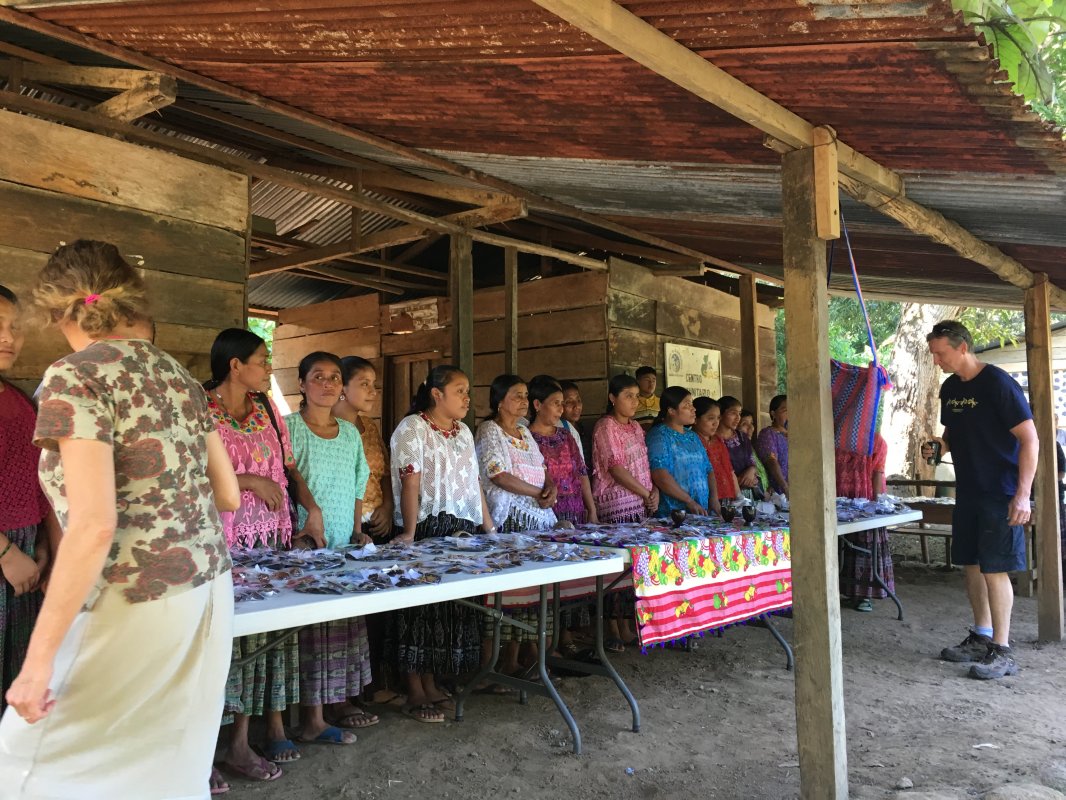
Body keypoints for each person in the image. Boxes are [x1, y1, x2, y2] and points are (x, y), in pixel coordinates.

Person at [0, 240, 241, 798]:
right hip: (206, 587)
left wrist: (36, 664)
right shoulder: (178, 374)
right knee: (169, 760)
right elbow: (227, 494)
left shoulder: (73, 376)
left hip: (133, 594)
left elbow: (93, 524)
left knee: (28, 762)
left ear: (57, 311)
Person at [204, 328, 326, 780]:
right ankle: (207, 748)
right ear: (235, 365)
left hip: (272, 542)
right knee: (224, 641)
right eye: (261, 359)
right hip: (223, 544)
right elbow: (194, 475)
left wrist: (310, 509)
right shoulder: (201, 410)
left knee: (267, 637)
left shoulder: (269, 411)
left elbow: (289, 471)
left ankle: (248, 737)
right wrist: (250, 482)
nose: (268, 367)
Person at [923, 320, 1036, 680]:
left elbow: (1029, 439)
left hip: (1000, 492)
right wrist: (939, 446)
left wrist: (1023, 496)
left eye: (940, 353)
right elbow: (953, 433)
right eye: (933, 354)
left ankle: (1003, 651)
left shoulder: (999, 385)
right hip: (968, 490)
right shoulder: (950, 388)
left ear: (962, 347)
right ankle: (981, 636)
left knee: (995, 567)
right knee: (971, 563)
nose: (937, 360)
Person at [387, 365, 491, 722]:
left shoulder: (462, 431)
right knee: (420, 612)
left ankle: (432, 682)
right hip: (428, 528)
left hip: (463, 528)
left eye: (467, 391)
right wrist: (410, 532)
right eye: (460, 390)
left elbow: (475, 480)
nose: (466, 398)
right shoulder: (412, 427)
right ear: (436, 394)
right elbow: (410, 480)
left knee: (448, 611)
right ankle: (414, 689)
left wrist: (488, 525)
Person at [285, 352, 375, 744]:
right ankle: (311, 717)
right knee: (307, 630)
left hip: (341, 544)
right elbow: (287, 478)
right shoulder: (288, 428)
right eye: (317, 377)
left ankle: (336, 703)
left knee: (340, 625)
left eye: (334, 377)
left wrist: (357, 530)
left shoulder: (350, 433)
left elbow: (358, 485)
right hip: (305, 544)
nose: (327, 384)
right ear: (301, 385)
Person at [475, 375, 558, 675]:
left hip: (537, 521)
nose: (524, 401)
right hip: (510, 522)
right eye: (517, 396)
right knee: (509, 596)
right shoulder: (489, 430)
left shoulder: (524, 431)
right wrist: (538, 493)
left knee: (532, 594)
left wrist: (550, 488)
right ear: (499, 402)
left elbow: (541, 468)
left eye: (526, 395)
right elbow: (497, 474)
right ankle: (498, 665)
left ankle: (525, 657)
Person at [0, 286, 56, 714]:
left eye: (14, 327)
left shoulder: (20, 399)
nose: (9, 338)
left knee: (17, 682)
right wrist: (5, 552)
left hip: (26, 561)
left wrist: (41, 546)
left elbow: (39, 479)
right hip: (6, 556)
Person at [592, 374, 657, 651]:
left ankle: (629, 625)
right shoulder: (606, 426)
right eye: (628, 395)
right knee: (614, 573)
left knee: (632, 572)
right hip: (617, 506)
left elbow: (643, 462)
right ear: (612, 398)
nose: (634, 401)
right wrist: (645, 492)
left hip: (641, 505)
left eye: (636, 396)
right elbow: (615, 467)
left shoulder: (635, 428)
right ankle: (612, 629)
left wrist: (652, 492)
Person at [334, 356, 394, 543]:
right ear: (342, 387)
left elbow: (384, 473)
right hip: (340, 527)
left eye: (373, 384)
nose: (373, 392)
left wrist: (387, 507)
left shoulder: (369, 426)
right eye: (364, 384)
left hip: (377, 525)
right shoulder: (327, 429)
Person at [527, 376, 597, 525]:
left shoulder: (566, 435)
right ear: (537, 404)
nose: (561, 409)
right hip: (542, 512)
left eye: (562, 404)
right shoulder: (526, 438)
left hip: (575, 512)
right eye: (556, 403)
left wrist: (592, 510)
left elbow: (581, 474)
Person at [839, 433, 894, 613]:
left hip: (865, 503)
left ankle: (864, 595)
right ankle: (844, 591)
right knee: (843, 548)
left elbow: (877, 474)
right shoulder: (836, 437)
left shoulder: (876, 442)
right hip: (839, 502)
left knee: (864, 549)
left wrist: (877, 507)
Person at [645, 386, 718, 517]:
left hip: (700, 510)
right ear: (671, 411)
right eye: (687, 405)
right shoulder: (659, 436)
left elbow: (708, 469)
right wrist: (689, 501)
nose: (693, 409)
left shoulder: (692, 436)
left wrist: (714, 499)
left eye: (692, 404)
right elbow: (660, 475)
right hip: (673, 514)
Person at [694, 397, 741, 504]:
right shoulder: (692, 441)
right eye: (711, 418)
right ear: (695, 419)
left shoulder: (718, 440)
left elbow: (729, 470)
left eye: (718, 418)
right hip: (705, 500)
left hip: (727, 497)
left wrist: (739, 497)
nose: (716, 423)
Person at [717, 395, 762, 500]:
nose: (738, 418)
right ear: (721, 414)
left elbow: (752, 460)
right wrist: (739, 481)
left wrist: (751, 470)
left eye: (739, 413)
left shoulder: (742, 437)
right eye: (733, 413)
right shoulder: (713, 439)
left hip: (747, 494)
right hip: (724, 494)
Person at [755, 395, 789, 495]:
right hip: (779, 493)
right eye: (786, 411)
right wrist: (785, 487)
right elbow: (771, 461)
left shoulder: (795, 435)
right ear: (773, 414)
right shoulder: (768, 434)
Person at [560, 380, 592, 466]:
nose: (576, 406)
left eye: (578, 400)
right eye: (569, 402)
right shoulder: (558, 434)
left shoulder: (584, 430)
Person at [739, 409, 770, 495]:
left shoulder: (750, 447)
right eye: (744, 424)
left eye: (752, 423)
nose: (751, 428)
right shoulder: (736, 450)